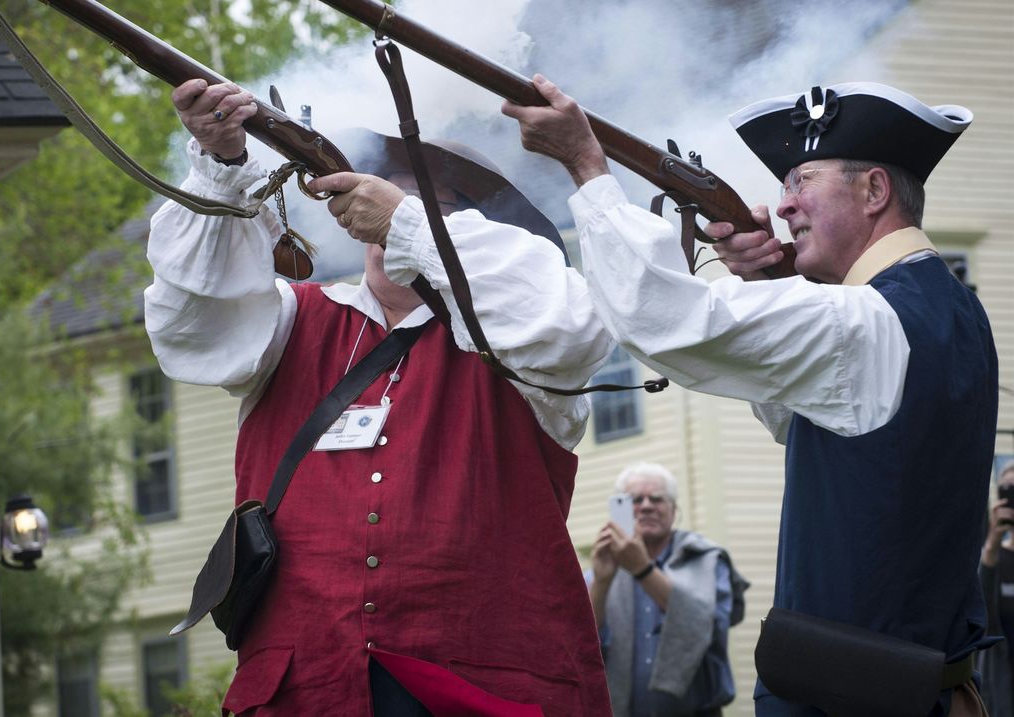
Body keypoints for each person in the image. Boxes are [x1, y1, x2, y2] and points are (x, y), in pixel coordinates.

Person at [503, 78, 998, 716]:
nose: (784, 207)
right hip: (901, 689)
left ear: (874, 191)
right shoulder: (947, 309)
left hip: (853, 697)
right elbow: (813, 412)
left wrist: (586, 165)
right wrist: (772, 280)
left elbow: (664, 321)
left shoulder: (867, 321)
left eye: (803, 181)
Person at [145, 79, 616, 716]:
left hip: (483, 690)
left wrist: (409, 225)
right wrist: (224, 163)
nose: (388, 213)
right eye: (382, 193)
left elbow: (575, 325)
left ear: (478, 231)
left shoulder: (523, 337)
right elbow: (191, 329)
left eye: (425, 205)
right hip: (306, 689)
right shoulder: (290, 323)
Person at [589, 462, 748, 717]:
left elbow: (708, 622)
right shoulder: (604, 566)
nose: (647, 506)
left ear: (674, 510)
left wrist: (642, 569)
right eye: (636, 499)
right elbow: (581, 640)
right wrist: (602, 581)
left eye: (657, 499)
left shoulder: (707, 560)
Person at [978, 461, 1014, 716]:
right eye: (1007, 489)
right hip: (1003, 690)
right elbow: (981, 617)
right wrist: (991, 543)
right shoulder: (993, 558)